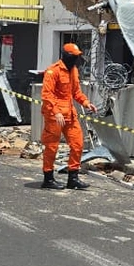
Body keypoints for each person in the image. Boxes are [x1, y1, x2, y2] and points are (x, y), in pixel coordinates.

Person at [39, 43, 96, 190]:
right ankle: (48, 178)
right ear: (66, 56)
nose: (76, 59)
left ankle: (73, 178)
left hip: (70, 114)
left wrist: (86, 103)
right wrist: (56, 112)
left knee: (78, 144)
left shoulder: (74, 71)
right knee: (51, 147)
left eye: (77, 56)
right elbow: (47, 95)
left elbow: (76, 92)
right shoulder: (53, 71)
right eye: (74, 56)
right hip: (54, 115)